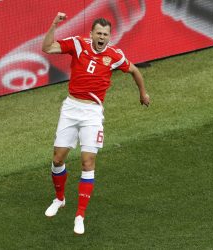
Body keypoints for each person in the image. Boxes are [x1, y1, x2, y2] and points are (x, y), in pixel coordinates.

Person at [41, 12, 150, 235]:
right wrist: (54, 24)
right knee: (57, 159)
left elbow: (135, 71)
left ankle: (80, 215)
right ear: (91, 33)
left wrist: (143, 93)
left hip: (92, 113)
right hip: (71, 108)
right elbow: (47, 48)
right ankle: (60, 199)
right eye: (98, 33)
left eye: (105, 34)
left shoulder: (114, 55)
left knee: (87, 162)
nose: (102, 37)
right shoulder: (78, 44)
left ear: (110, 36)